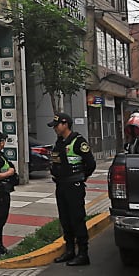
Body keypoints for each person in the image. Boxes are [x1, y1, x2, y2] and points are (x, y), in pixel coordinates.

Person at [48, 113, 96, 267]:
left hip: (74, 186)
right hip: (61, 185)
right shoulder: (59, 142)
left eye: (57, 125)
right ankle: (69, 250)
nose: (55, 128)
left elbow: (91, 164)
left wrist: (81, 177)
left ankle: (83, 253)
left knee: (77, 219)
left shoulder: (78, 142)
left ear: (65, 124)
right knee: (65, 219)